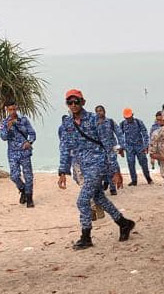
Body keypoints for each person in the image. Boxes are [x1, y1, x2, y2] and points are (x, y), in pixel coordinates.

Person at [57, 89, 135, 249]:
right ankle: (123, 223)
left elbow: (108, 145)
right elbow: (65, 147)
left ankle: (86, 237)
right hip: (83, 165)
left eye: (76, 101)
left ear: (83, 102)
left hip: (98, 164)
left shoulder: (95, 120)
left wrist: (115, 171)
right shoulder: (67, 124)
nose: (73, 105)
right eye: (69, 102)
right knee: (99, 197)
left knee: (82, 201)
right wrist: (62, 171)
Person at [0, 100, 36, 208]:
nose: (13, 111)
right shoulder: (4, 123)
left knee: (28, 176)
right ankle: (22, 189)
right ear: (6, 109)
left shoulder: (23, 120)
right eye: (10, 109)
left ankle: (29, 198)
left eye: (14, 109)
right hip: (13, 153)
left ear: (17, 108)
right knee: (14, 176)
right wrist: (8, 128)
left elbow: (32, 133)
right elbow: (3, 137)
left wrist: (30, 142)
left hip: (25, 152)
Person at [94, 105, 125, 195]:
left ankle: (112, 188)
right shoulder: (94, 124)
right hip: (99, 150)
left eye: (101, 110)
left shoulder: (110, 122)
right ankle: (104, 183)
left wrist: (121, 146)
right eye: (97, 111)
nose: (99, 112)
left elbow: (119, 133)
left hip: (111, 148)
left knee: (112, 167)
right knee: (101, 169)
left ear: (104, 111)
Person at [120, 108, 153, 186]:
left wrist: (146, 145)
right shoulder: (122, 124)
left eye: (129, 117)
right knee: (131, 164)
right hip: (129, 148)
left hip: (140, 147)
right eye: (126, 117)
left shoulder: (138, 122)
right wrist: (122, 147)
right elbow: (120, 136)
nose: (128, 119)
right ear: (124, 117)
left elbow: (145, 134)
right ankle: (134, 181)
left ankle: (148, 178)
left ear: (132, 115)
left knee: (144, 163)